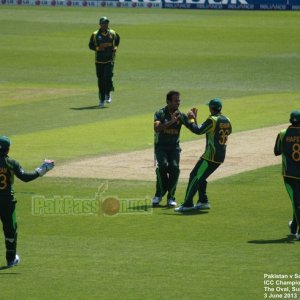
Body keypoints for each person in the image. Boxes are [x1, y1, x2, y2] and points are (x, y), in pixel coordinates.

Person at [0, 136, 55, 268]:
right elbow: (25, 177)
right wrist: (44, 168)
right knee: (10, 231)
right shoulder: (11, 163)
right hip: (7, 202)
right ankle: (11, 260)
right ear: (7, 150)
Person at [175, 98, 232, 212]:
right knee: (201, 177)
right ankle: (203, 201)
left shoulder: (213, 120)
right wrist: (195, 121)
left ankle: (188, 204)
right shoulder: (227, 119)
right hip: (220, 156)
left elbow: (198, 131)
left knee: (194, 176)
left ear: (211, 108)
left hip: (210, 156)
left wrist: (189, 119)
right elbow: (223, 131)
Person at [152, 91, 197, 207]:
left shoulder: (181, 115)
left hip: (174, 148)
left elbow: (195, 129)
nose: (178, 103)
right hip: (161, 147)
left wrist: (193, 119)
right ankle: (158, 194)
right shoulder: (160, 113)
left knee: (175, 169)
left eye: (179, 100)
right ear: (168, 102)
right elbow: (156, 128)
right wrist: (171, 122)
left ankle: (170, 197)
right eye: (176, 101)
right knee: (162, 167)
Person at [274, 110, 300, 241]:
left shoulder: (283, 133)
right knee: (297, 201)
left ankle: (298, 230)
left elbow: (277, 151)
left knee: (296, 203)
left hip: (289, 174)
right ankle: (294, 228)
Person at [89, 16, 120, 108]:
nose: (105, 25)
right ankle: (101, 100)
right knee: (101, 81)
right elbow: (90, 45)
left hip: (110, 59)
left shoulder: (112, 33)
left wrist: (115, 47)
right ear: (100, 24)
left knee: (107, 77)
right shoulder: (95, 34)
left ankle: (108, 93)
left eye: (106, 23)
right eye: (103, 23)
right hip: (99, 61)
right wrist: (98, 48)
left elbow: (117, 40)